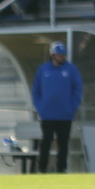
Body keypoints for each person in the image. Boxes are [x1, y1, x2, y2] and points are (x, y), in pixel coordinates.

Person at [31, 41, 83, 174]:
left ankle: (62, 169)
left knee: (63, 143)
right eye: (60, 55)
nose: (62, 57)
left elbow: (77, 90)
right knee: (46, 141)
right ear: (52, 55)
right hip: (47, 115)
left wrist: (71, 108)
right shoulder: (43, 69)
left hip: (65, 115)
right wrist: (40, 107)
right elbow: (36, 90)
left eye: (63, 55)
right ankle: (42, 168)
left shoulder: (71, 69)